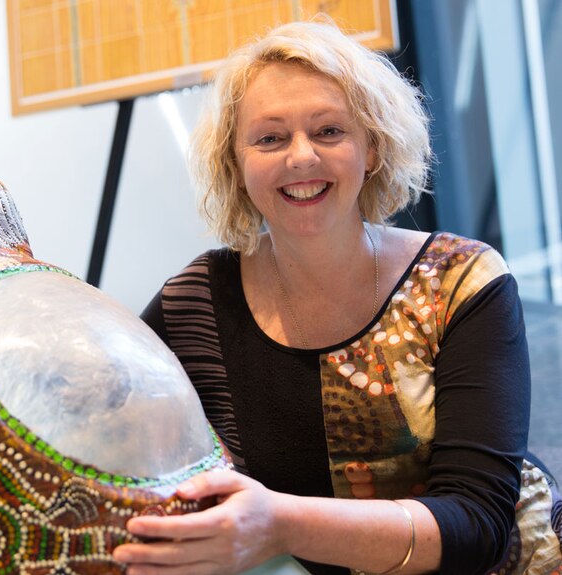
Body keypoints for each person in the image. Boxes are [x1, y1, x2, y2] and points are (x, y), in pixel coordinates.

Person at [112, 20, 562, 575]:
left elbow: (477, 526)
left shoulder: (460, 281)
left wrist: (280, 523)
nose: (301, 158)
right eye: (270, 138)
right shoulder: (195, 304)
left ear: (371, 148)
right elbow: (105, 426)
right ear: (236, 163)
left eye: (328, 131)